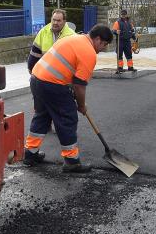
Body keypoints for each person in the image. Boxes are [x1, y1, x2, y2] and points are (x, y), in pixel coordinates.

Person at [23, 24, 113, 173]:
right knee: (67, 118)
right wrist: (81, 105)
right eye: (104, 44)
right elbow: (79, 86)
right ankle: (71, 161)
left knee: (42, 116)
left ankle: (30, 154)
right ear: (97, 39)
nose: (103, 48)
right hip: (52, 84)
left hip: (36, 79)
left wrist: (69, 87)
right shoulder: (89, 53)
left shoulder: (73, 38)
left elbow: (67, 70)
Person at [27, 8, 76, 73]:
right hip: (44, 74)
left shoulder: (71, 35)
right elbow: (35, 53)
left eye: (58, 21)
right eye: (54, 20)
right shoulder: (43, 31)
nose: (55, 23)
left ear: (64, 22)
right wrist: (32, 70)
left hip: (63, 76)